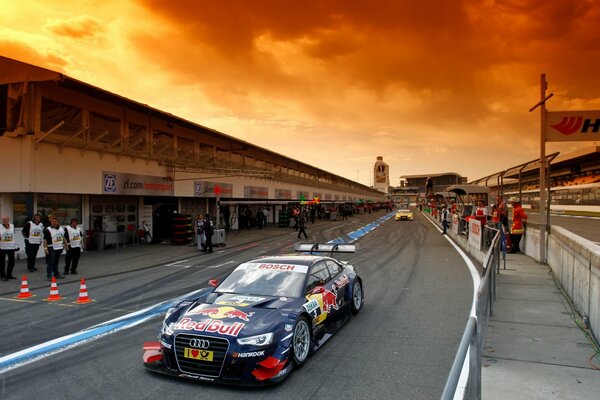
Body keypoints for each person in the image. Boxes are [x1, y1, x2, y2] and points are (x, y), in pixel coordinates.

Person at [43, 216, 66, 281]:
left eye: (55, 221)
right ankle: (49, 276)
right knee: (51, 262)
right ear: (51, 222)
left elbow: (63, 237)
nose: (54, 223)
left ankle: (56, 274)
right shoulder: (48, 229)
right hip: (51, 247)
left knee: (56, 262)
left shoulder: (61, 229)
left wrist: (65, 244)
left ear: (58, 222)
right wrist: (45, 248)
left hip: (59, 247)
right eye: (52, 221)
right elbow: (45, 240)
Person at [0, 215, 18, 281]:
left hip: (11, 247)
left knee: (12, 262)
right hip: (2, 247)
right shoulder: (0, 227)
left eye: (5, 219)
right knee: (2, 263)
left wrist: (15, 245)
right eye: (3, 220)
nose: (4, 221)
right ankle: (2, 276)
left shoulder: (12, 226)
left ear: (8, 220)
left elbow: (13, 236)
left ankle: (9, 274)